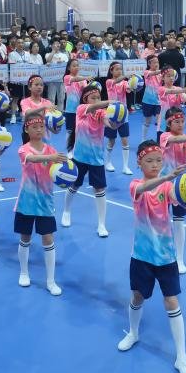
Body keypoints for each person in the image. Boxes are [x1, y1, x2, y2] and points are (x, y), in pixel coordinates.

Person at [118, 139, 186, 373]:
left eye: (159, 161)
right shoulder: (135, 185)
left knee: (171, 301)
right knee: (137, 296)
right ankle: (133, 332)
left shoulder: (167, 187)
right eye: (149, 161)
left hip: (166, 256)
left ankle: (181, 356)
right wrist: (168, 176)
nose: (155, 165)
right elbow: (143, 189)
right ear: (139, 163)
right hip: (142, 255)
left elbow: (179, 199)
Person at [15, 115, 66, 294]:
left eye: (41, 126)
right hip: (27, 201)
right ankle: (23, 272)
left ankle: (51, 281)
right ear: (26, 129)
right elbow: (31, 158)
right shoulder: (23, 149)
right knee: (25, 237)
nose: (39, 130)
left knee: (48, 238)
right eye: (34, 127)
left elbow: (59, 171)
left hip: (45, 201)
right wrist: (52, 157)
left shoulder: (51, 149)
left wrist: (66, 174)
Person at [62, 83, 115, 237]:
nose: (97, 100)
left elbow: (109, 123)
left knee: (100, 190)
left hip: (96, 159)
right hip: (79, 157)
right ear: (86, 99)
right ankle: (66, 212)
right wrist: (108, 102)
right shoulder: (81, 110)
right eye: (94, 98)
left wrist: (115, 121)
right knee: (74, 185)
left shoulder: (101, 113)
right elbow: (94, 107)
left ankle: (101, 224)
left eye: (99, 97)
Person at [158, 107, 186, 271]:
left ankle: (179, 259)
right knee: (160, 221)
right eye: (177, 121)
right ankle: (160, 251)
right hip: (163, 184)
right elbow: (176, 140)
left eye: (183, 121)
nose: (181, 124)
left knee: (179, 221)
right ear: (169, 123)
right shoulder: (164, 136)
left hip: (180, 186)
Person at [103, 61, 135, 174]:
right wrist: (125, 76)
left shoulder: (124, 82)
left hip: (123, 114)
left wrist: (134, 82)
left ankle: (125, 166)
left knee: (125, 140)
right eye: (117, 69)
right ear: (111, 71)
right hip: (112, 115)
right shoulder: (109, 82)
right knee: (111, 141)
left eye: (120, 69)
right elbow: (116, 81)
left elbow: (130, 88)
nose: (119, 71)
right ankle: (108, 162)